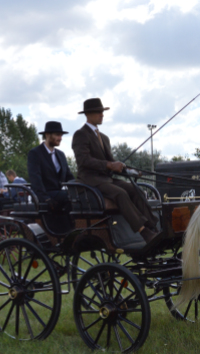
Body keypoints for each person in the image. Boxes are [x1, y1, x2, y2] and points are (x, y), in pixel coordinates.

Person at [71, 98, 159, 245]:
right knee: (121, 193)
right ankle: (144, 232)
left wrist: (129, 170)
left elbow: (111, 162)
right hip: (91, 181)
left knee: (136, 190)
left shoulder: (104, 138)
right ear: (88, 114)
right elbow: (84, 161)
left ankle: (153, 227)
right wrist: (110, 165)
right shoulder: (80, 134)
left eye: (102, 112)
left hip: (107, 179)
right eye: (99, 112)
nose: (102, 115)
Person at [27, 121, 75, 210]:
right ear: (47, 135)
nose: (60, 138)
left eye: (61, 135)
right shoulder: (35, 153)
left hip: (59, 193)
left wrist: (80, 187)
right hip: (45, 195)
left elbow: (69, 177)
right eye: (57, 135)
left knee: (79, 195)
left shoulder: (60, 155)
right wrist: (46, 198)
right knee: (69, 196)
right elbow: (35, 179)